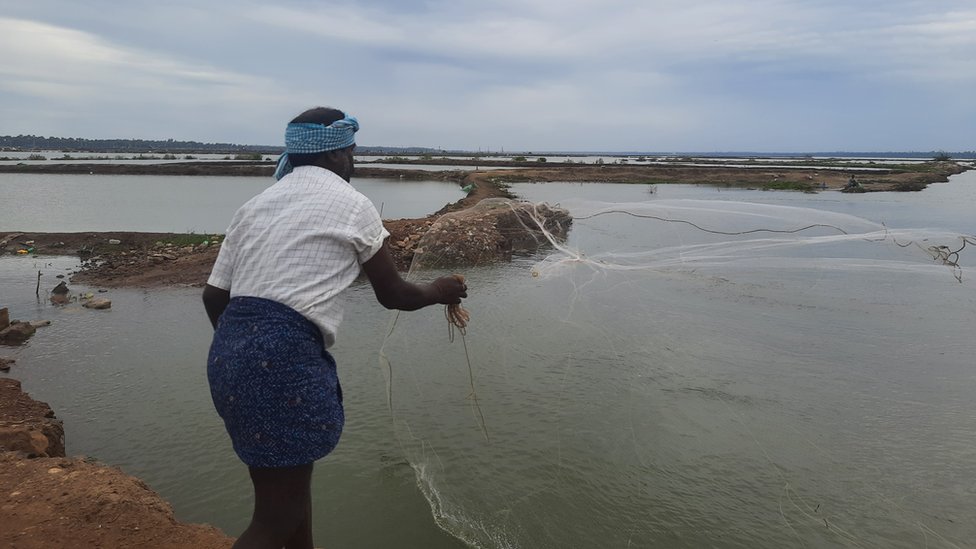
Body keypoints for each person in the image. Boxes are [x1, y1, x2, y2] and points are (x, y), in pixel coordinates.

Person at [202, 106, 467, 549]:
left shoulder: (254, 206)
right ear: (336, 155)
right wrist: (441, 290)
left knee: (285, 488)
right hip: (283, 357)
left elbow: (214, 297)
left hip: (229, 353)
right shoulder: (352, 204)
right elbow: (394, 295)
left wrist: (244, 349)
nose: (354, 159)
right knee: (274, 518)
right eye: (352, 151)